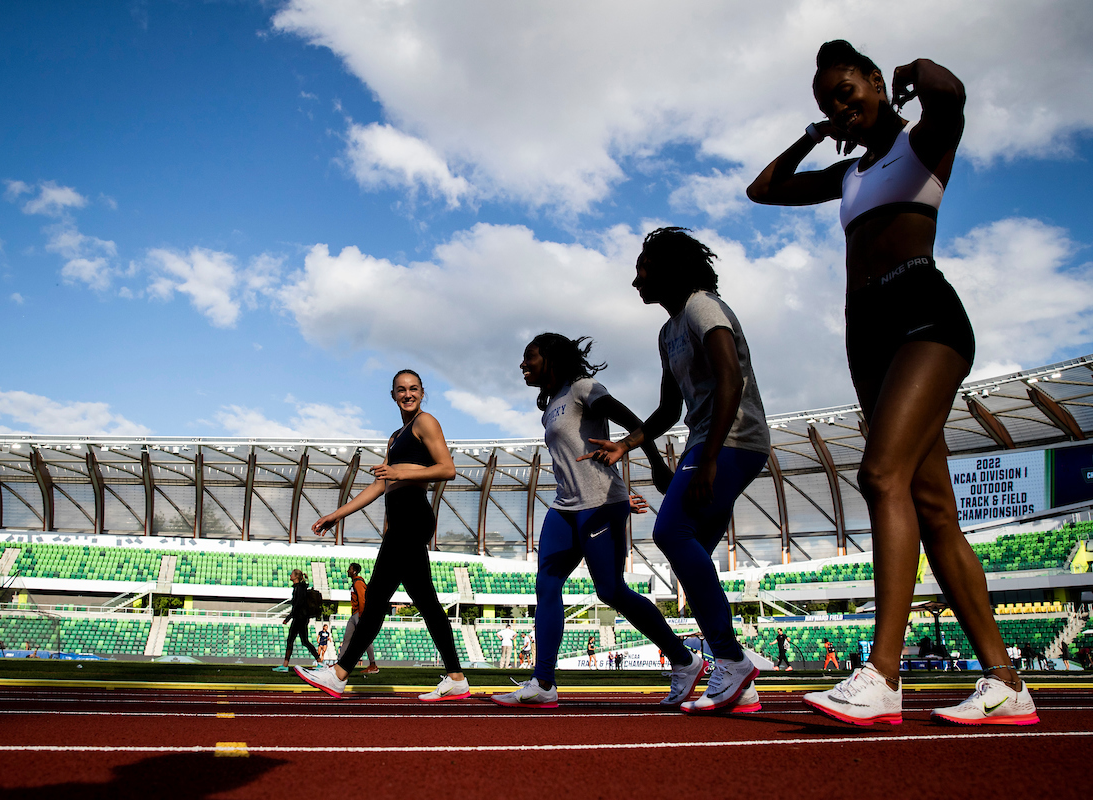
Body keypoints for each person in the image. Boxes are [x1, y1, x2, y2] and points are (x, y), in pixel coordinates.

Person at [748, 40, 1036, 727]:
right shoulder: (846, 175)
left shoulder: (921, 144)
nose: (839, 107)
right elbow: (763, 189)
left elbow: (951, 94)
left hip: (924, 317)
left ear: (877, 83)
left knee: (881, 477)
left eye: (847, 92)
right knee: (933, 507)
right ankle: (1005, 683)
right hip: (866, 336)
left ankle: (882, 673)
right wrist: (812, 135)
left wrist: (918, 72)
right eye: (826, 102)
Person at [581, 228, 769, 715]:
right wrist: (627, 444)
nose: (635, 280)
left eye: (642, 268)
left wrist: (706, 460)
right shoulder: (667, 332)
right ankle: (738, 683)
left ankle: (730, 658)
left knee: (670, 531)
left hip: (734, 439)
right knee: (692, 556)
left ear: (668, 269)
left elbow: (732, 378)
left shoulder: (702, 307)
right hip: (702, 441)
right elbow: (667, 410)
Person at [492, 333, 705, 710]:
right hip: (564, 507)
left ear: (552, 358)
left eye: (530, 357)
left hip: (601, 503)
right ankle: (543, 682)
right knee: (546, 585)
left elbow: (634, 421)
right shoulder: (550, 405)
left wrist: (656, 466)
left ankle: (684, 659)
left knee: (610, 591)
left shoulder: (584, 388)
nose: (523, 365)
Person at [296, 369, 469, 703]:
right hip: (400, 522)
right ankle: (456, 677)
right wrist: (337, 514)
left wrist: (401, 471)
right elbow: (380, 485)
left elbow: (447, 468)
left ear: (422, 392)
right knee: (427, 603)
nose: (408, 394)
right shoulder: (395, 437)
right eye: (401, 390)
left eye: (414, 388)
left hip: (414, 518)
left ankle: (339, 673)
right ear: (393, 395)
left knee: (376, 600)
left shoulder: (425, 422)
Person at [274, 568, 321, 673]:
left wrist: (288, 618)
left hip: (299, 618)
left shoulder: (299, 589)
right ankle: (319, 662)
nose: (290, 575)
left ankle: (285, 665)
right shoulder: (300, 588)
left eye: (292, 574)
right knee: (304, 641)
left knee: (291, 640)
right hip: (301, 618)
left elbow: (297, 605)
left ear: (296, 577)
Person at [338, 562, 379, 675]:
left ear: (354, 571)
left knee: (366, 639)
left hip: (359, 614)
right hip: (355, 614)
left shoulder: (358, 583)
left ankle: (373, 664)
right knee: (347, 638)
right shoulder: (355, 583)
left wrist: (362, 615)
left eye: (350, 569)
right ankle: (340, 664)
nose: (348, 571)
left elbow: (362, 599)